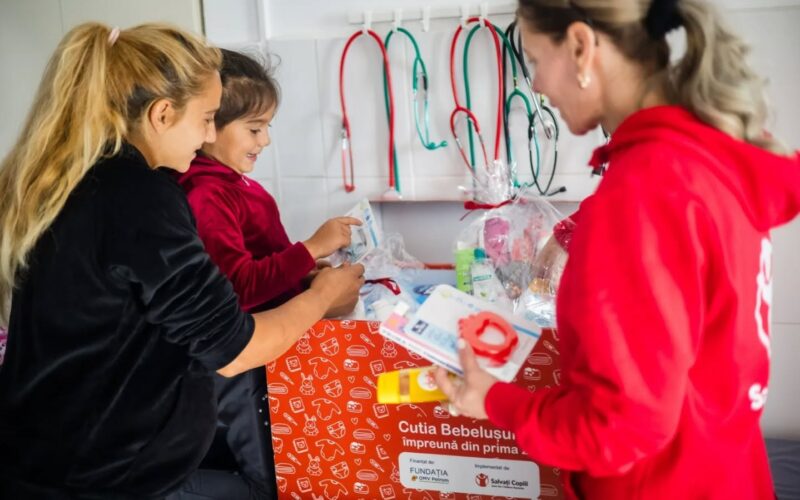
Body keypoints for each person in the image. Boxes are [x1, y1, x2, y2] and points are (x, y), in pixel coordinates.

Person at [435, 1, 800, 499]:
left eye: (536, 60)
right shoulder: (709, 160)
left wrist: (497, 401)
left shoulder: (643, 191)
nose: (536, 85)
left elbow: (619, 427)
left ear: (581, 47)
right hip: (729, 474)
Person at [0, 23, 363, 498]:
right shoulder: (138, 196)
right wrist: (322, 297)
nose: (210, 134)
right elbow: (235, 351)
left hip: (52, 455)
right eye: (207, 117)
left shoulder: (73, 179)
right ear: (162, 114)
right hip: (95, 477)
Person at [170, 49, 361, 499]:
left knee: (275, 468)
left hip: (266, 352)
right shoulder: (205, 194)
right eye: (255, 129)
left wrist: (303, 274)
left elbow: (260, 264)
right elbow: (237, 286)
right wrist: (310, 248)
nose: (266, 141)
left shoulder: (240, 186)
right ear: (208, 125)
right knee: (267, 482)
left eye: (268, 127)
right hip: (239, 360)